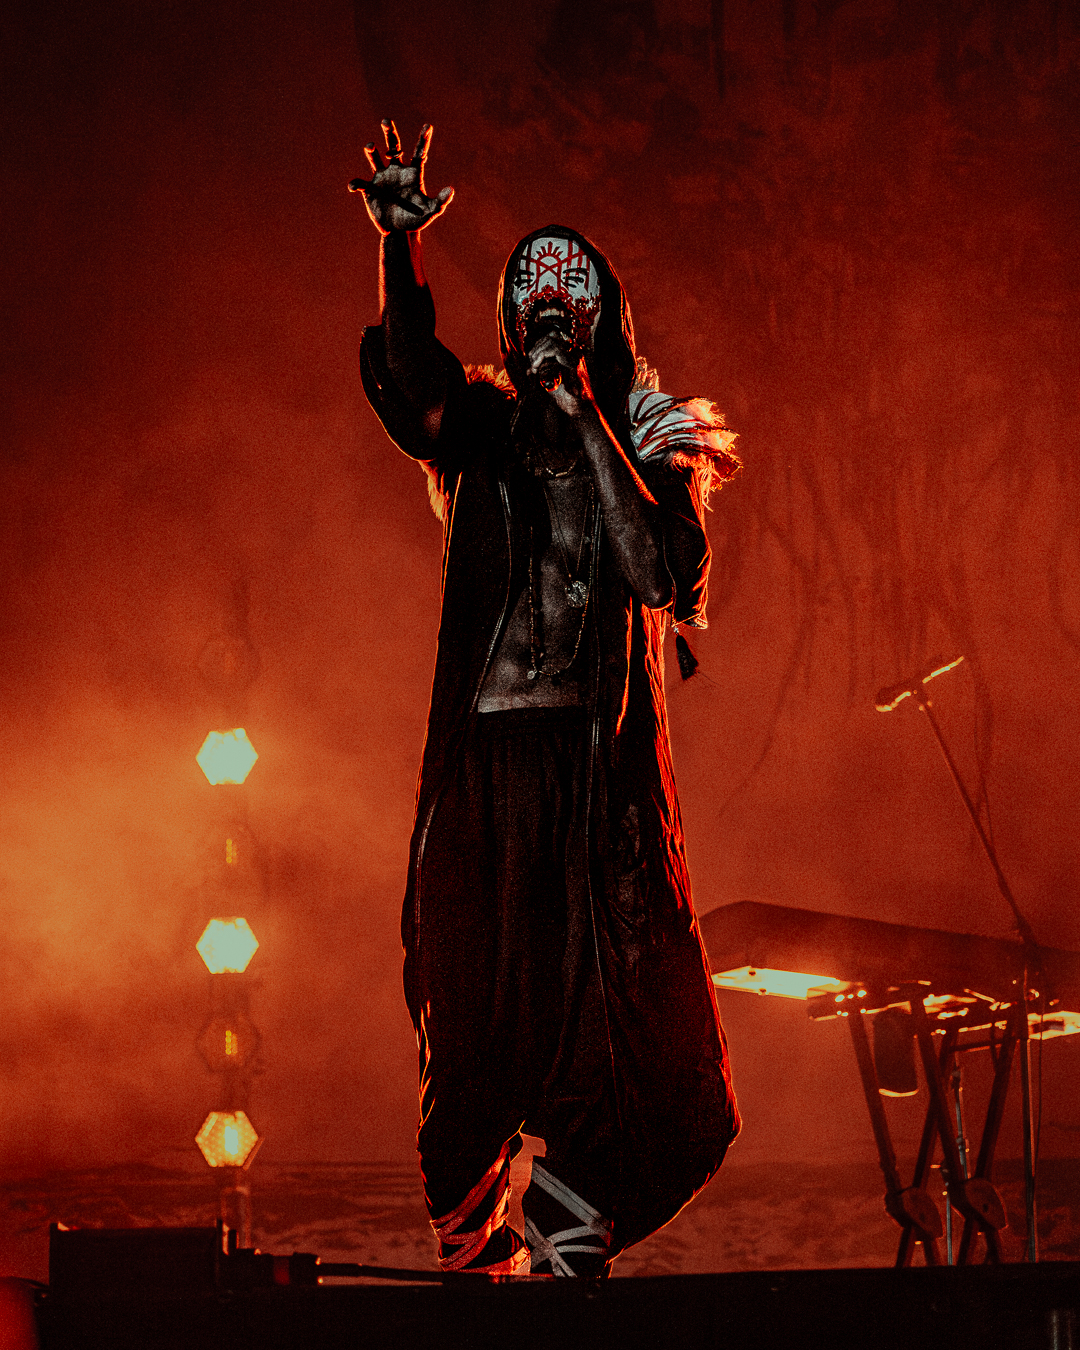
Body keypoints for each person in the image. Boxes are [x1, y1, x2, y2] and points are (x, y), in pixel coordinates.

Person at [351, 120, 741, 1278]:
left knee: (642, 1063)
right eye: (533, 286)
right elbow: (411, 384)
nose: (550, 302)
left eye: (573, 288)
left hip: (593, 801)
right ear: (510, 318)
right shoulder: (479, 431)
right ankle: (484, 1280)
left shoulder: (653, 443)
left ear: (604, 316)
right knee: (469, 1047)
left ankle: (565, 1258)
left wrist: (584, 418)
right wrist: (400, 245)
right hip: (486, 786)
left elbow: (661, 570)